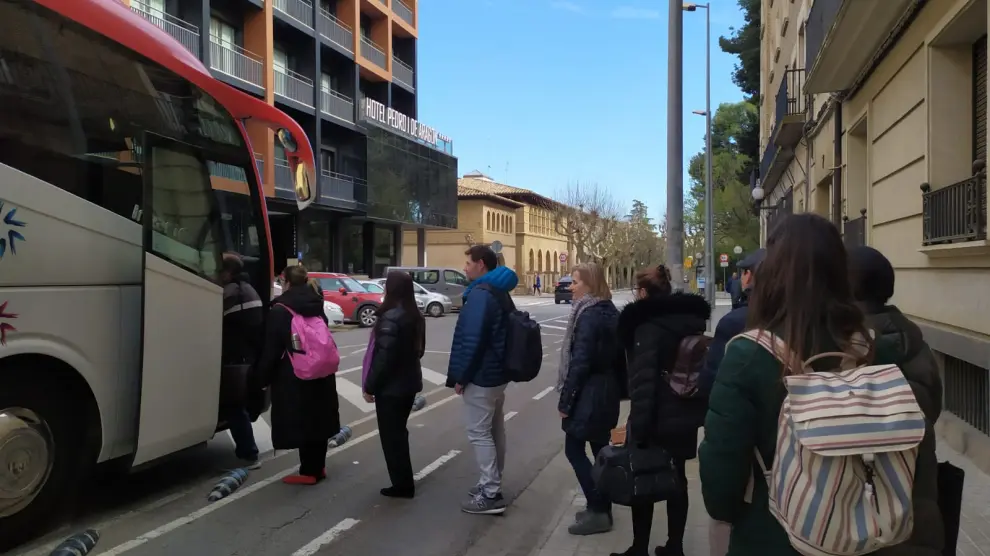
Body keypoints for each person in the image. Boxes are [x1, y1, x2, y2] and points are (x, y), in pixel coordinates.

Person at [698, 213, 893, 555]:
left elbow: (721, 475)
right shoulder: (868, 347)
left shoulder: (747, 356)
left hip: (773, 533)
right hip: (862, 531)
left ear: (772, 273)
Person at [848, 246, 944, 556]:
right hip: (915, 499)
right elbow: (931, 405)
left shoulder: (840, 341)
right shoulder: (911, 337)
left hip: (855, 511)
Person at [611, 265, 711, 556]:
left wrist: (638, 430)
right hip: (683, 412)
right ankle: (675, 547)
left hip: (655, 416)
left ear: (642, 293)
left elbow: (642, 383)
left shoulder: (647, 328)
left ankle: (639, 548)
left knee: (642, 479)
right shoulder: (687, 321)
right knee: (677, 480)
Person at [446, 245, 519, 515]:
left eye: (468, 262)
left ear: (481, 265)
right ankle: (492, 483)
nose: (464, 267)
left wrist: (460, 377)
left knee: (479, 433)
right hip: (497, 374)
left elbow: (473, 340)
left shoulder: (480, 295)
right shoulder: (498, 291)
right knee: (494, 430)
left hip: (482, 376)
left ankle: (490, 493)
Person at [254, 264, 342, 485]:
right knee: (319, 418)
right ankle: (317, 466)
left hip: (294, 374)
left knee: (301, 419)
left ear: (286, 282)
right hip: (322, 370)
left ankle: (308, 471)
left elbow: (272, 349)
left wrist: (261, 379)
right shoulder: (315, 303)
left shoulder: (281, 310)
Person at [556, 262, 621, 536]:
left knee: (574, 449)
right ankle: (601, 506)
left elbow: (580, 362)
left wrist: (566, 402)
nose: (571, 287)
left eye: (575, 282)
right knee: (599, 451)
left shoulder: (589, 316)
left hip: (591, 394)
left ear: (590, 285)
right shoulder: (608, 310)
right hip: (606, 391)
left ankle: (598, 509)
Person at [363, 271, 426, 499]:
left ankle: (402, 485)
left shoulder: (390, 317)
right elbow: (420, 350)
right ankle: (403, 481)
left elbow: (383, 358)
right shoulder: (415, 315)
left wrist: (370, 386)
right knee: (399, 433)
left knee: (392, 438)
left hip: (391, 388)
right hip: (409, 383)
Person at [219, 253, 264, 469]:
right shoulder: (248, 288)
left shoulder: (231, 292)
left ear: (227, 272)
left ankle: (249, 454)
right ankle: (248, 452)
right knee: (236, 407)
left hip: (234, 358)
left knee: (234, 407)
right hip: (247, 356)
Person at [701, 249, 765, 393]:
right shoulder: (799, 321)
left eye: (743, 272)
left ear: (748, 276)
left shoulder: (733, 323)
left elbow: (710, 380)